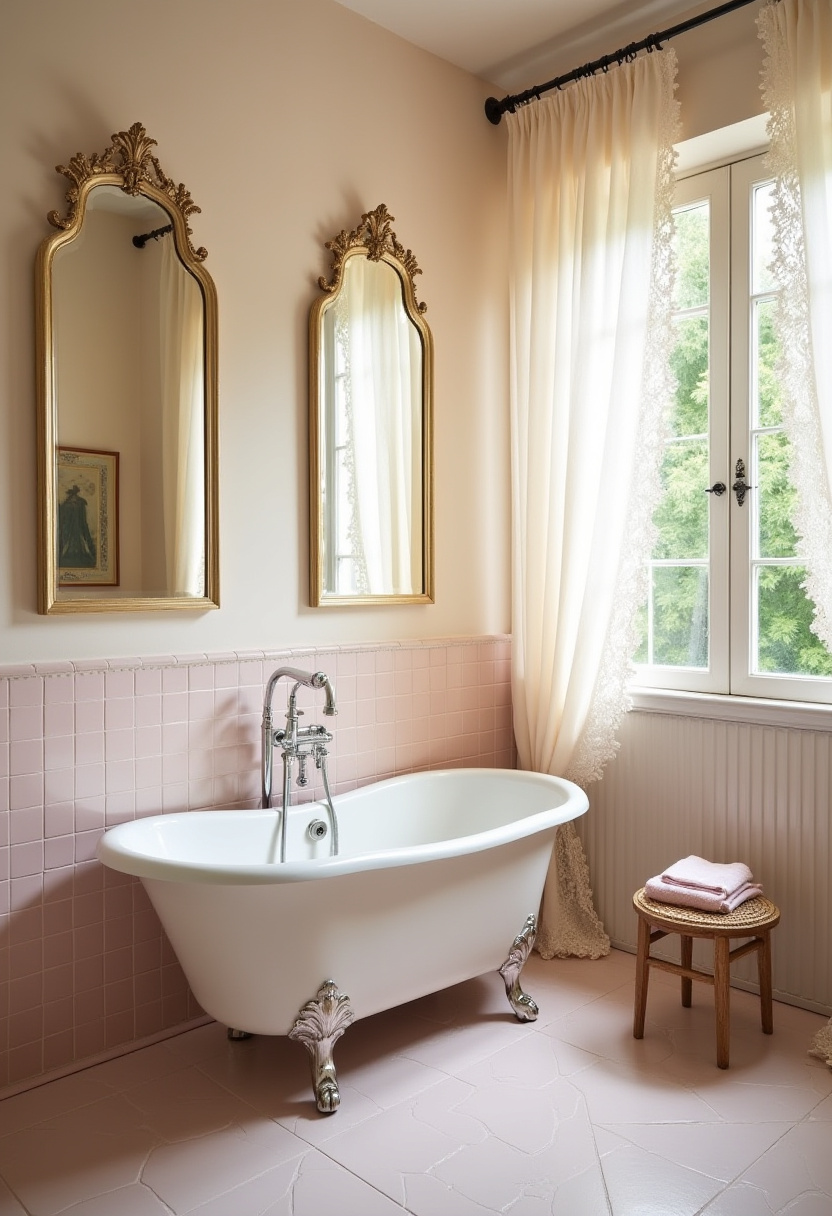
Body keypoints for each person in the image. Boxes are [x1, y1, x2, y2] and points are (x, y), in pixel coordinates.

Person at [59, 483, 96, 568]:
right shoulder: (79, 503)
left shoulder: (67, 504)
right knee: (76, 543)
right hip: (76, 527)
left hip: (72, 527)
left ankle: (74, 554)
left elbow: (63, 519)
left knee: (74, 543)